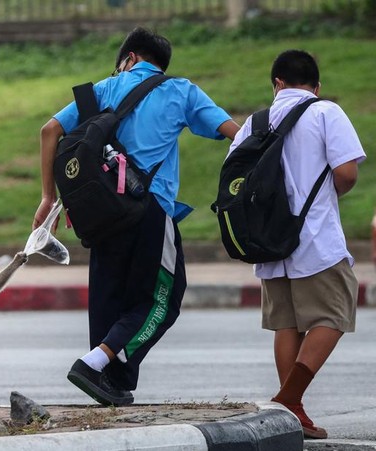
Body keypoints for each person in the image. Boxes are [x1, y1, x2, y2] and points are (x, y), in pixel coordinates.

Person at [33, 27, 240, 406]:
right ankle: (93, 363)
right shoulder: (181, 90)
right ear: (159, 64)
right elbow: (234, 133)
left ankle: (112, 382)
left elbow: (50, 131)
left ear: (129, 58)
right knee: (163, 297)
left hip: (101, 215)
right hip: (150, 208)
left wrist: (48, 197)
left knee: (109, 295)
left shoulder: (99, 90)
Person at [226, 49, 365, 439]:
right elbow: (347, 172)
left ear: (277, 84)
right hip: (315, 237)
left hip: (268, 240)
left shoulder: (253, 123)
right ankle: (288, 400)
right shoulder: (325, 112)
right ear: (316, 86)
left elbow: (235, 180)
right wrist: (325, 197)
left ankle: (292, 414)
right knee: (335, 313)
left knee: (286, 324)